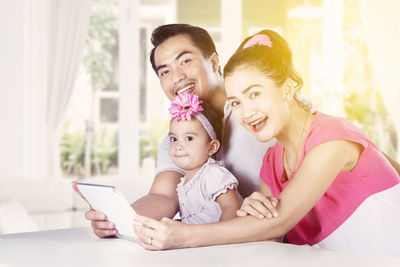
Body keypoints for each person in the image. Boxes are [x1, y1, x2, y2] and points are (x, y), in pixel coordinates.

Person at [73, 24, 400, 241]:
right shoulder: (186, 136)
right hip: (284, 246)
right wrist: (120, 219)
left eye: (185, 61)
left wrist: (184, 237)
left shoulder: (280, 121)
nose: (177, 77)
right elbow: (164, 195)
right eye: (165, 71)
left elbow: (343, 144)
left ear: (214, 61)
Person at [167, 92, 240, 224]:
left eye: (189, 138)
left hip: (222, 242)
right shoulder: (184, 183)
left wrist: (219, 238)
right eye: (174, 139)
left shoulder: (213, 174)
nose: (178, 146)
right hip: (201, 243)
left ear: (211, 147)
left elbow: (232, 209)